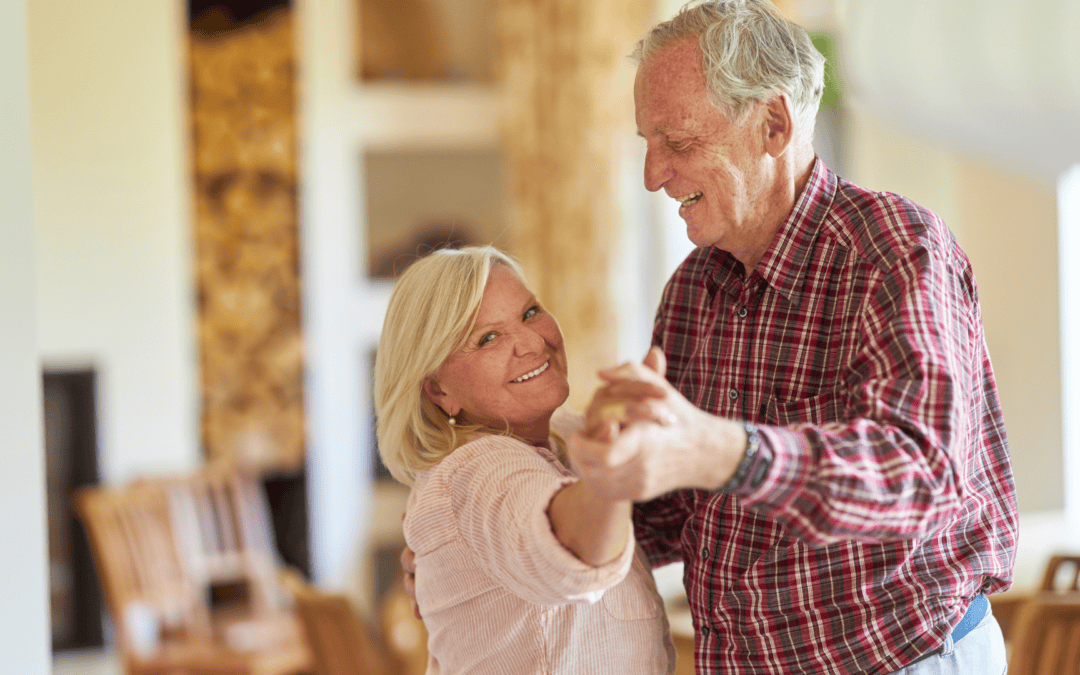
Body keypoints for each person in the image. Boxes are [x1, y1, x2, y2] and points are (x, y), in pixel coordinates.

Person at [567, 1, 1018, 673]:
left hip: (905, 659)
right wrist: (502, 537)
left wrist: (721, 449)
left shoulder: (893, 248)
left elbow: (920, 473)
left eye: (679, 143)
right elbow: (665, 517)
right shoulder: (694, 290)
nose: (652, 174)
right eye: (647, 143)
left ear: (773, 124)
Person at [374, 246, 675, 674]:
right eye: (487, 339)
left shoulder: (564, 438)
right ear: (439, 392)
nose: (533, 343)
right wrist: (613, 455)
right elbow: (566, 550)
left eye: (530, 312)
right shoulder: (474, 468)